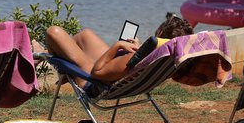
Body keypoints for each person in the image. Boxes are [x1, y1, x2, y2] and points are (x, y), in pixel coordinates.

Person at [44, 15, 193, 86]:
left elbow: (97, 72)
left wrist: (118, 46)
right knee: (85, 35)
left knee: (53, 32)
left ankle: (64, 68)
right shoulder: (167, 56)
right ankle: (63, 68)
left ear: (160, 33)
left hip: (92, 81)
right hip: (115, 73)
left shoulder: (135, 58)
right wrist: (140, 49)